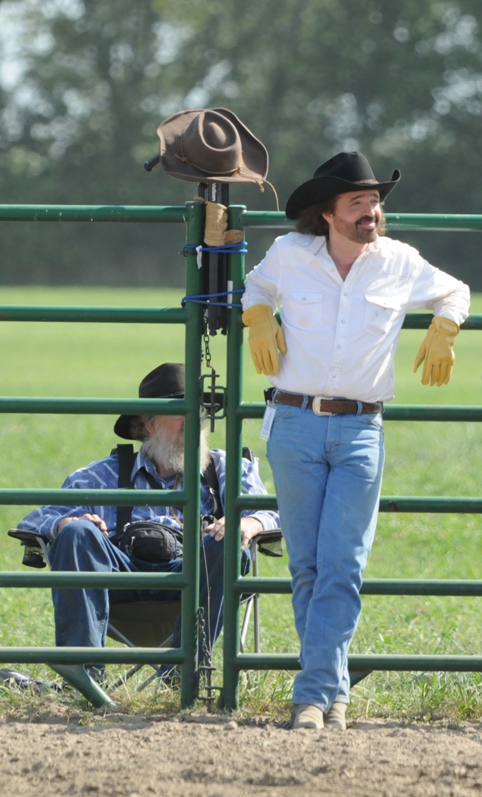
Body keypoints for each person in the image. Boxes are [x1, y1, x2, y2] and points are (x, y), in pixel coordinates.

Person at [241, 151, 470, 730]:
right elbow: (254, 285)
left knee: (343, 564)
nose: (372, 211)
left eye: (374, 201)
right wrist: (260, 314)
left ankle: (312, 695)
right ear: (327, 214)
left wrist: (445, 326)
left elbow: (457, 290)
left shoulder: (399, 261)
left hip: (361, 428)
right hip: (293, 424)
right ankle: (329, 694)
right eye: (358, 202)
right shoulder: (290, 254)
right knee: (309, 567)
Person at [17, 362, 279, 683]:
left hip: (194, 581)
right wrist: (68, 524)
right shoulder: (103, 475)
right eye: (183, 411)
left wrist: (247, 524)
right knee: (75, 531)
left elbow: (273, 512)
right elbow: (36, 519)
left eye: (201, 411)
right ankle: (83, 682)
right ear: (149, 425)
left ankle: (183, 678)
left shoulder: (225, 467)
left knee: (226, 541)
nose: (196, 421)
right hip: (122, 582)